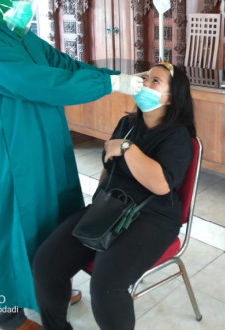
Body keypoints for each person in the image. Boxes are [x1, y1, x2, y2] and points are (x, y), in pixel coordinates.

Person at [0, 0, 143, 330]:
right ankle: (8, 312)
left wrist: (117, 78)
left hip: (46, 141)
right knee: (15, 222)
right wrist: (109, 85)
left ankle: (49, 283)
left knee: (55, 213)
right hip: (11, 150)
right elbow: (36, 82)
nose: (25, 4)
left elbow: (62, 66)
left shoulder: (21, 35)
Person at [32, 62, 196, 330]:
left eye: (155, 81)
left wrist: (128, 148)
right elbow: (108, 169)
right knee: (46, 263)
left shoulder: (177, 136)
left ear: (170, 98)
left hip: (152, 218)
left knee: (106, 287)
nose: (145, 83)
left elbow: (161, 184)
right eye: (145, 77)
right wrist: (99, 202)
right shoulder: (128, 124)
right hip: (111, 207)